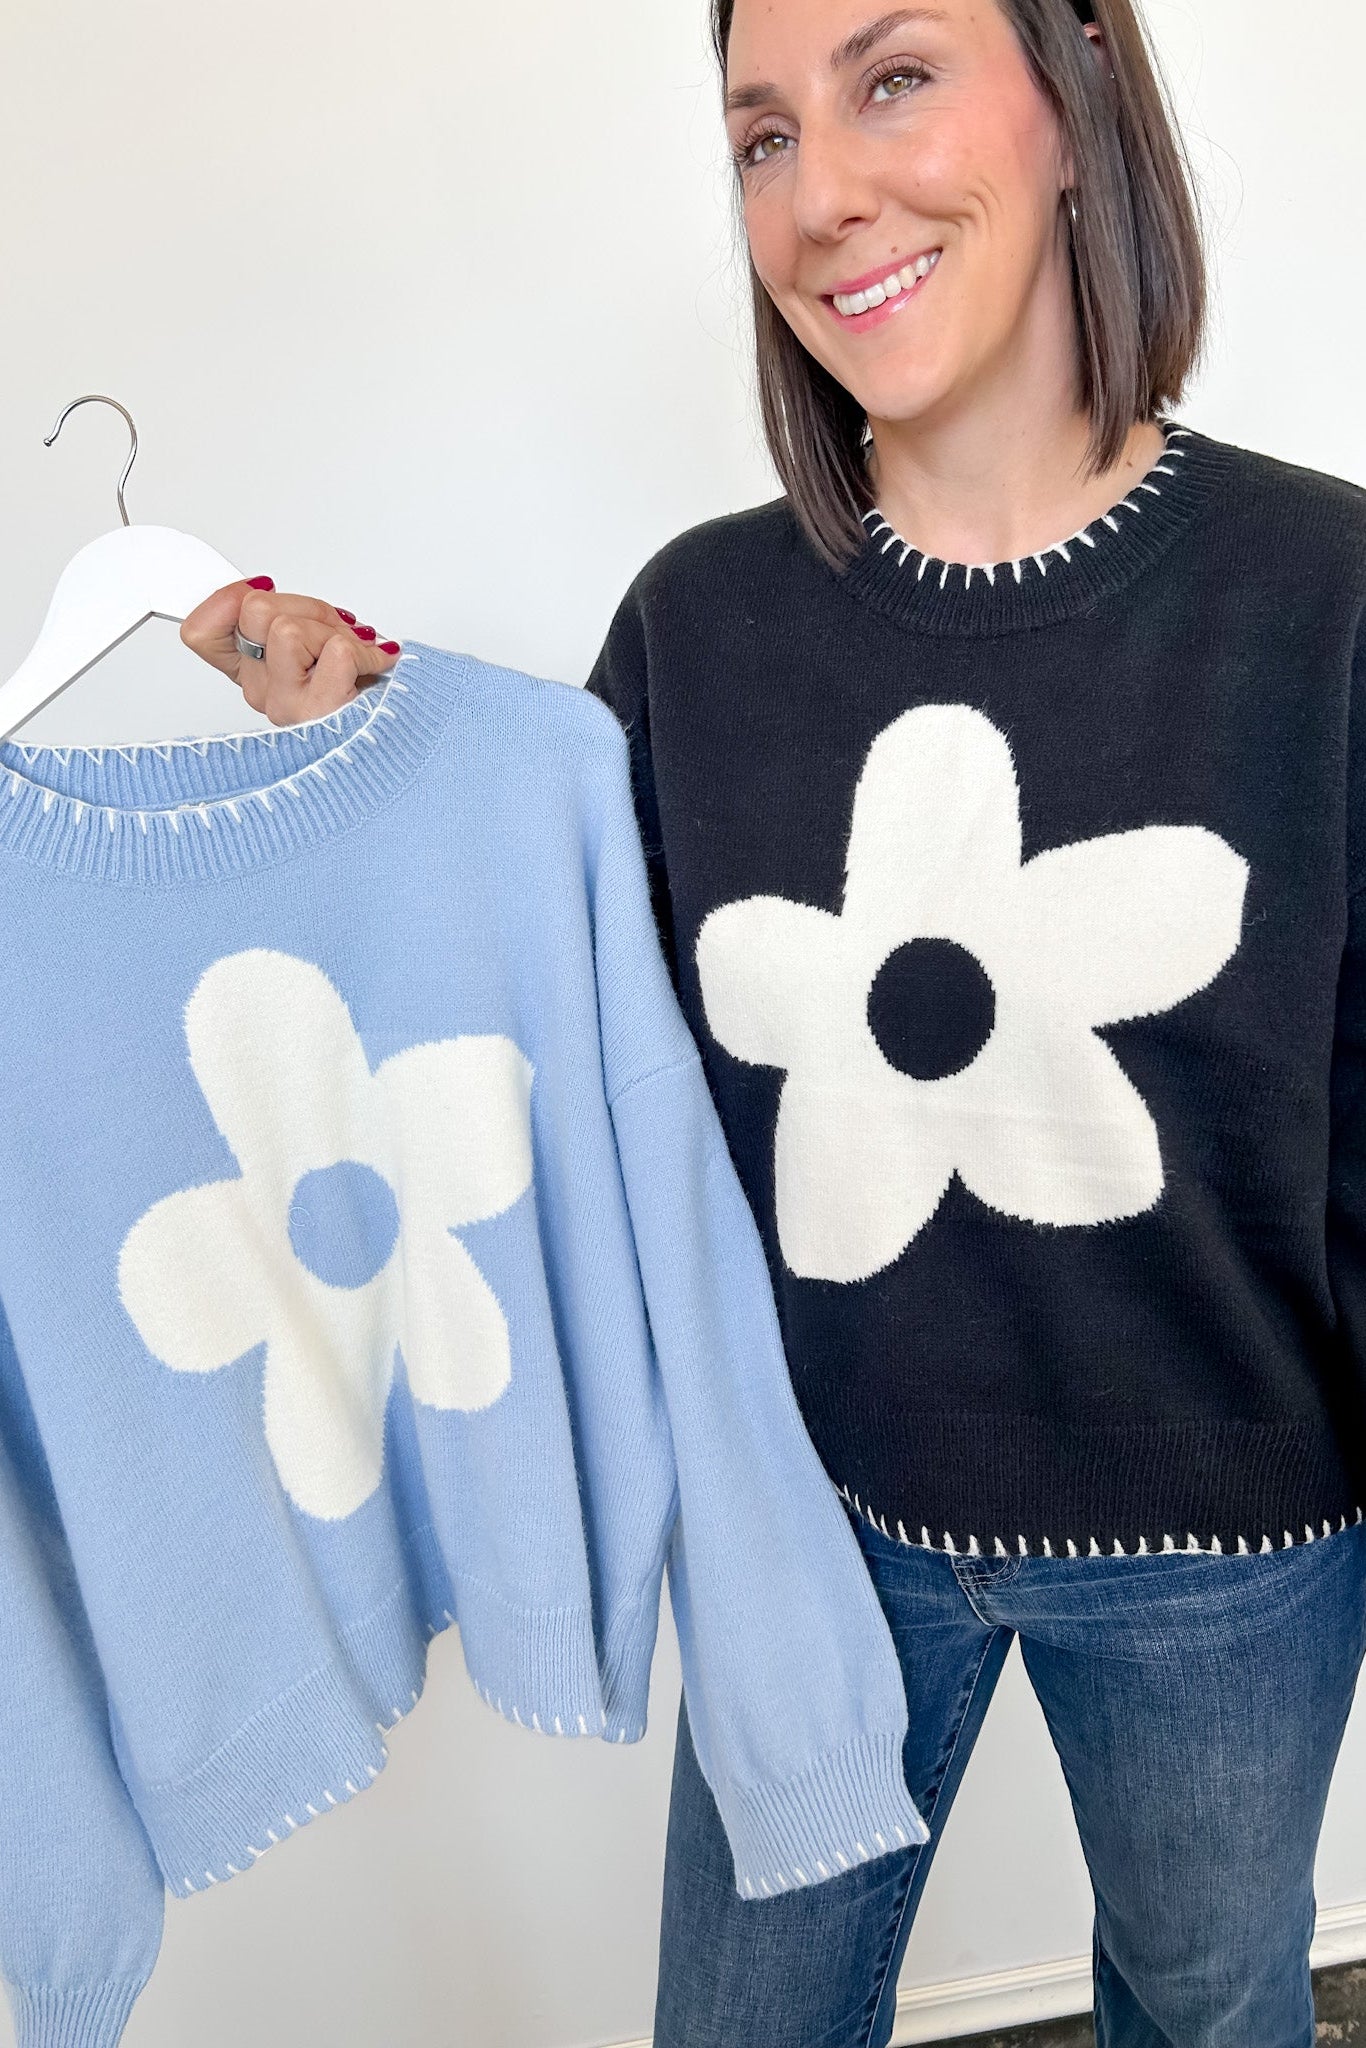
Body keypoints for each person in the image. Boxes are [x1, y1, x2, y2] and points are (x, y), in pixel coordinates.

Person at [181, 0, 1366, 2041]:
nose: (817, 193)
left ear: (1078, 101)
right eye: (754, 136)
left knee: (1205, 2004)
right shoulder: (697, 624)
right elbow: (570, 1015)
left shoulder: (1325, 596)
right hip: (806, 1530)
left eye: (889, 76)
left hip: (1228, 1546)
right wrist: (376, 768)